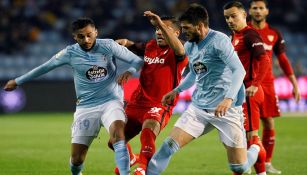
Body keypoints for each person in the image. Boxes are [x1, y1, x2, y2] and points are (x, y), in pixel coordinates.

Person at [3, 17, 143, 175]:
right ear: (75, 37)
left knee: (118, 135)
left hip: (111, 101)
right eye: (81, 36)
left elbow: (136, 60)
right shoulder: (70, 53)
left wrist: (130, 71)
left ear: (96, 32)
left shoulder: (108, 45)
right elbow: (45, 67)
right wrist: (17, 81)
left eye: (90, 34)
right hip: (86, 106)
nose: (86, 39)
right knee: (77, 159)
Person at [146, 4, 262, 175]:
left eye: (187, 28)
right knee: (168, 146)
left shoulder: (219, 41)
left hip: (227, 111)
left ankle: (255, 148)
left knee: (239, 168)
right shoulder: (190, 46)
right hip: (199, 109)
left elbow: (239, 70)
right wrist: (176, 90)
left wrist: (228, 99)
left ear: (199, 26)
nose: (184, 32)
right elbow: (194, 73)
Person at [111, 11, 188, 175]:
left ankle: (143, 168)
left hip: (160, 104)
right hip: (137, 102)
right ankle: (131, 157)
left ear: (176, 33)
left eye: (164, 28)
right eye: (157, 29)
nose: (159, 32)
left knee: (148, 131)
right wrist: (124, 42)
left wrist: (159, 22)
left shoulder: (179, 51)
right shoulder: (150, 45)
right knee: (114, 141)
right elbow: (134, 46)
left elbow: (180, 50)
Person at [248, 0, 301, 173]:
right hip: (247, 83)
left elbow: (283, 60)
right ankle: (245, 161)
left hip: (268, 84)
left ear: (267, 11)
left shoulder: (274, 33)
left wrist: (294, 84)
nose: (257, 11)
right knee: (246, 125)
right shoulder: (245, 31)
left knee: (269, 123)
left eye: (261, 8)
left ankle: (267, 162)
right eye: (254, 8)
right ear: (249, 10)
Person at [223, 1, 270, 175]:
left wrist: (255, 85)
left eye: (233, 16)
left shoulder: (250, 35)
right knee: (239, 141)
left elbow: (264, 60)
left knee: (251, 140)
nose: (229, 20)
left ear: (244, 15)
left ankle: (261, 172)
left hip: (249, 92)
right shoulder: (233, 36)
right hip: (237, 94)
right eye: (227, 17)